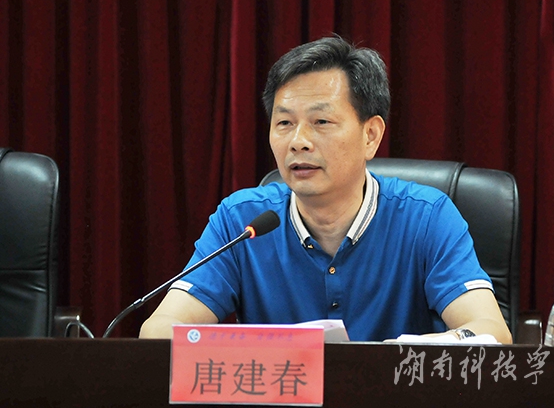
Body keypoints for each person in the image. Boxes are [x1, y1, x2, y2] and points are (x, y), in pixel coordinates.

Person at [140, 36, 512, 344]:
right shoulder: (242, 221)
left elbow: (491, 331)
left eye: (321, 121)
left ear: (371, 135)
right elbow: (158, 331)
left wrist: (392, 357)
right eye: (284, 123)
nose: (298, 141)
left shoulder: (427, 218)